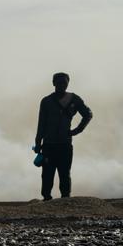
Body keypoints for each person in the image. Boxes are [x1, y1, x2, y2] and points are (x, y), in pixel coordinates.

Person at [34, 72, 92, 200]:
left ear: (68, 83)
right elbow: (41, 123)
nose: (61, 85)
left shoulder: (74, 99)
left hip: (65, 144)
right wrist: (38, 143)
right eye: (59, 83)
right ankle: (46, 198)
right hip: (49, 145)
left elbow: (88, 114)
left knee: (64, 174)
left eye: (64, 83)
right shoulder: (46, 101)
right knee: (47, 175)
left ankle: (65, 199)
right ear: (53, 83)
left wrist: (77, 130)